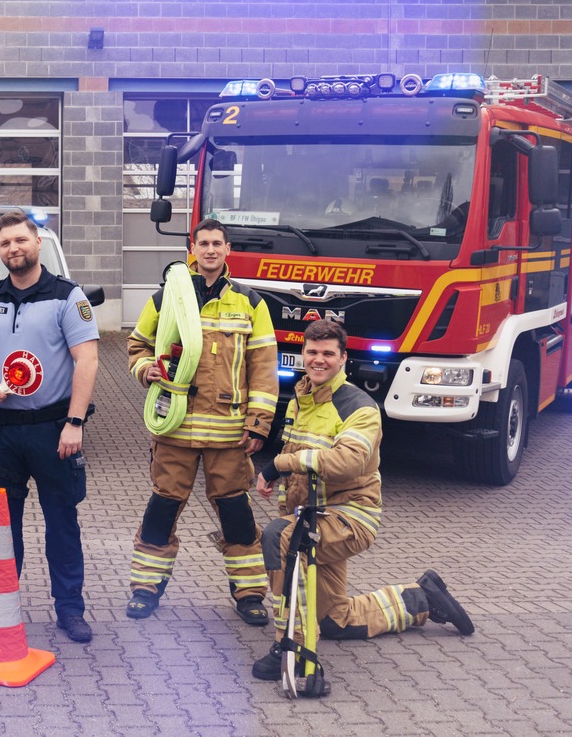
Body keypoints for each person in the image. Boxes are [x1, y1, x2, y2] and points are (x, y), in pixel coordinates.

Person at [251, 319, 474, 693]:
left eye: (327, 354)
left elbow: (348, 461)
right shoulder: (300, 400)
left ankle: (290, 649)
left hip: (351, 517)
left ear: (343, 359)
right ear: (303, 354)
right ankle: (421, 598)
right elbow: (302, 465)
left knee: (279, 540)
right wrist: (282, 488)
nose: (318, 360)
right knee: (337, 621)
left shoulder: (359, 407)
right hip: (312, 517)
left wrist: (280, 465)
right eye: (312, 352)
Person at [0, 209, 100, 643]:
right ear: (0, 251)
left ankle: (70, 610)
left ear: (37, 244)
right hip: (2, 434)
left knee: (62, 522)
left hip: (54, 431)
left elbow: (87, 360)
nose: (13, 248)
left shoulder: (69, 297)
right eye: (5, 243)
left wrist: (75, 422)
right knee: (1, 525)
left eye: (20, 240)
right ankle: (1, 608)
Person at [125, 218, 278, 624]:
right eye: (203, 243)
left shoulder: (250, 303)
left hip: (229, 436)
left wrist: (259, 423)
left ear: (228, 250)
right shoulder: (167, 297)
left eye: (217, 244)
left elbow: (263, 366)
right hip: (175, 428)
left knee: (237, 516)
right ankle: (145, 589)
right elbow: (137, 344)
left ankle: (249, 595)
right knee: (161, 510)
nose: (210, 250)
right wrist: (146, 370)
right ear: (192, 249)